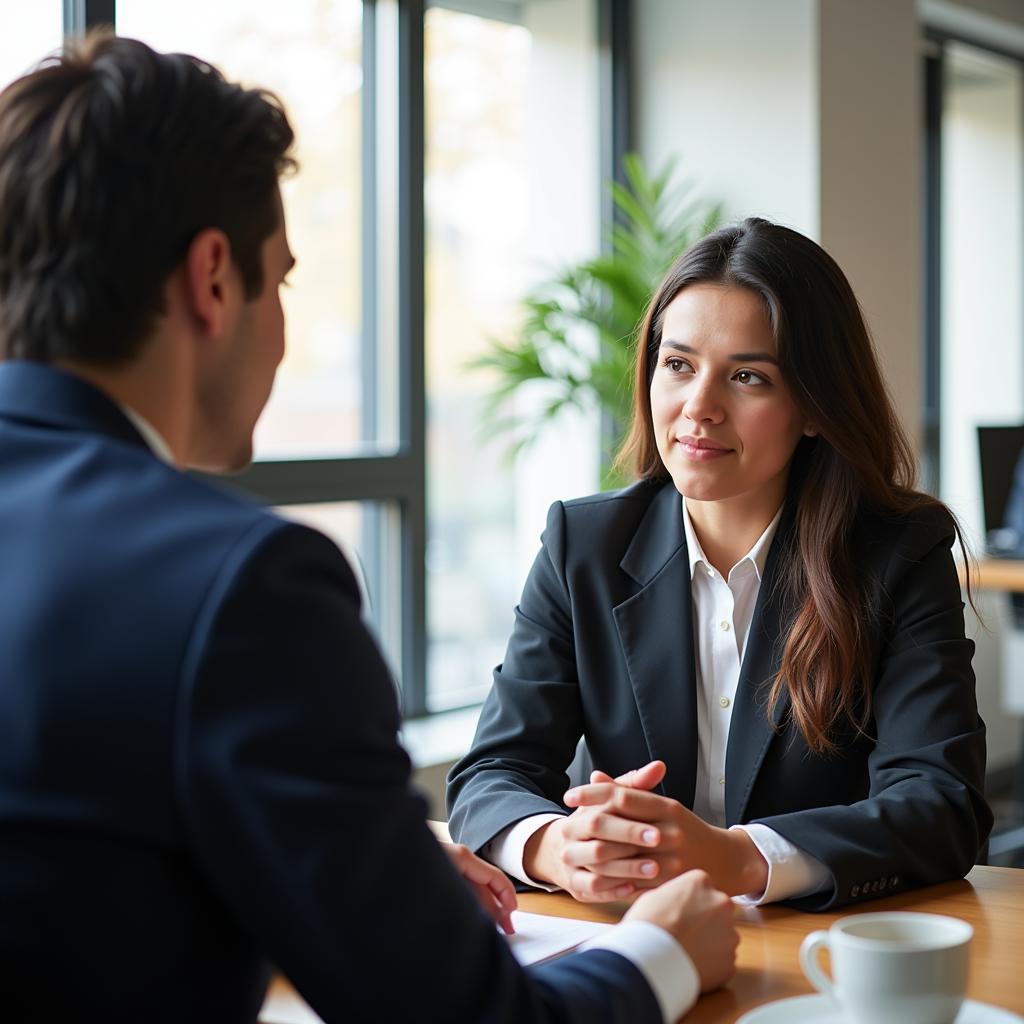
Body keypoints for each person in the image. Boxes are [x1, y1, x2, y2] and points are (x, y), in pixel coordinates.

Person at [0, 32, 738, 1024]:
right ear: (213, 279)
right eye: (287, 280)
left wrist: (352, 854)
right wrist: (662, 949)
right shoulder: (238, 584)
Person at [447, 217, 994, 912]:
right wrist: (556, 846)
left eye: (747, 376)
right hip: (624, 942)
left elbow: (941, 805)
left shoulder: (898, 554)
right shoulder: (581, 544)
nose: (698, 407)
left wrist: (738, 857)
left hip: (815, 950)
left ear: (815, 408)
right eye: (678, 365)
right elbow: (493, 772)